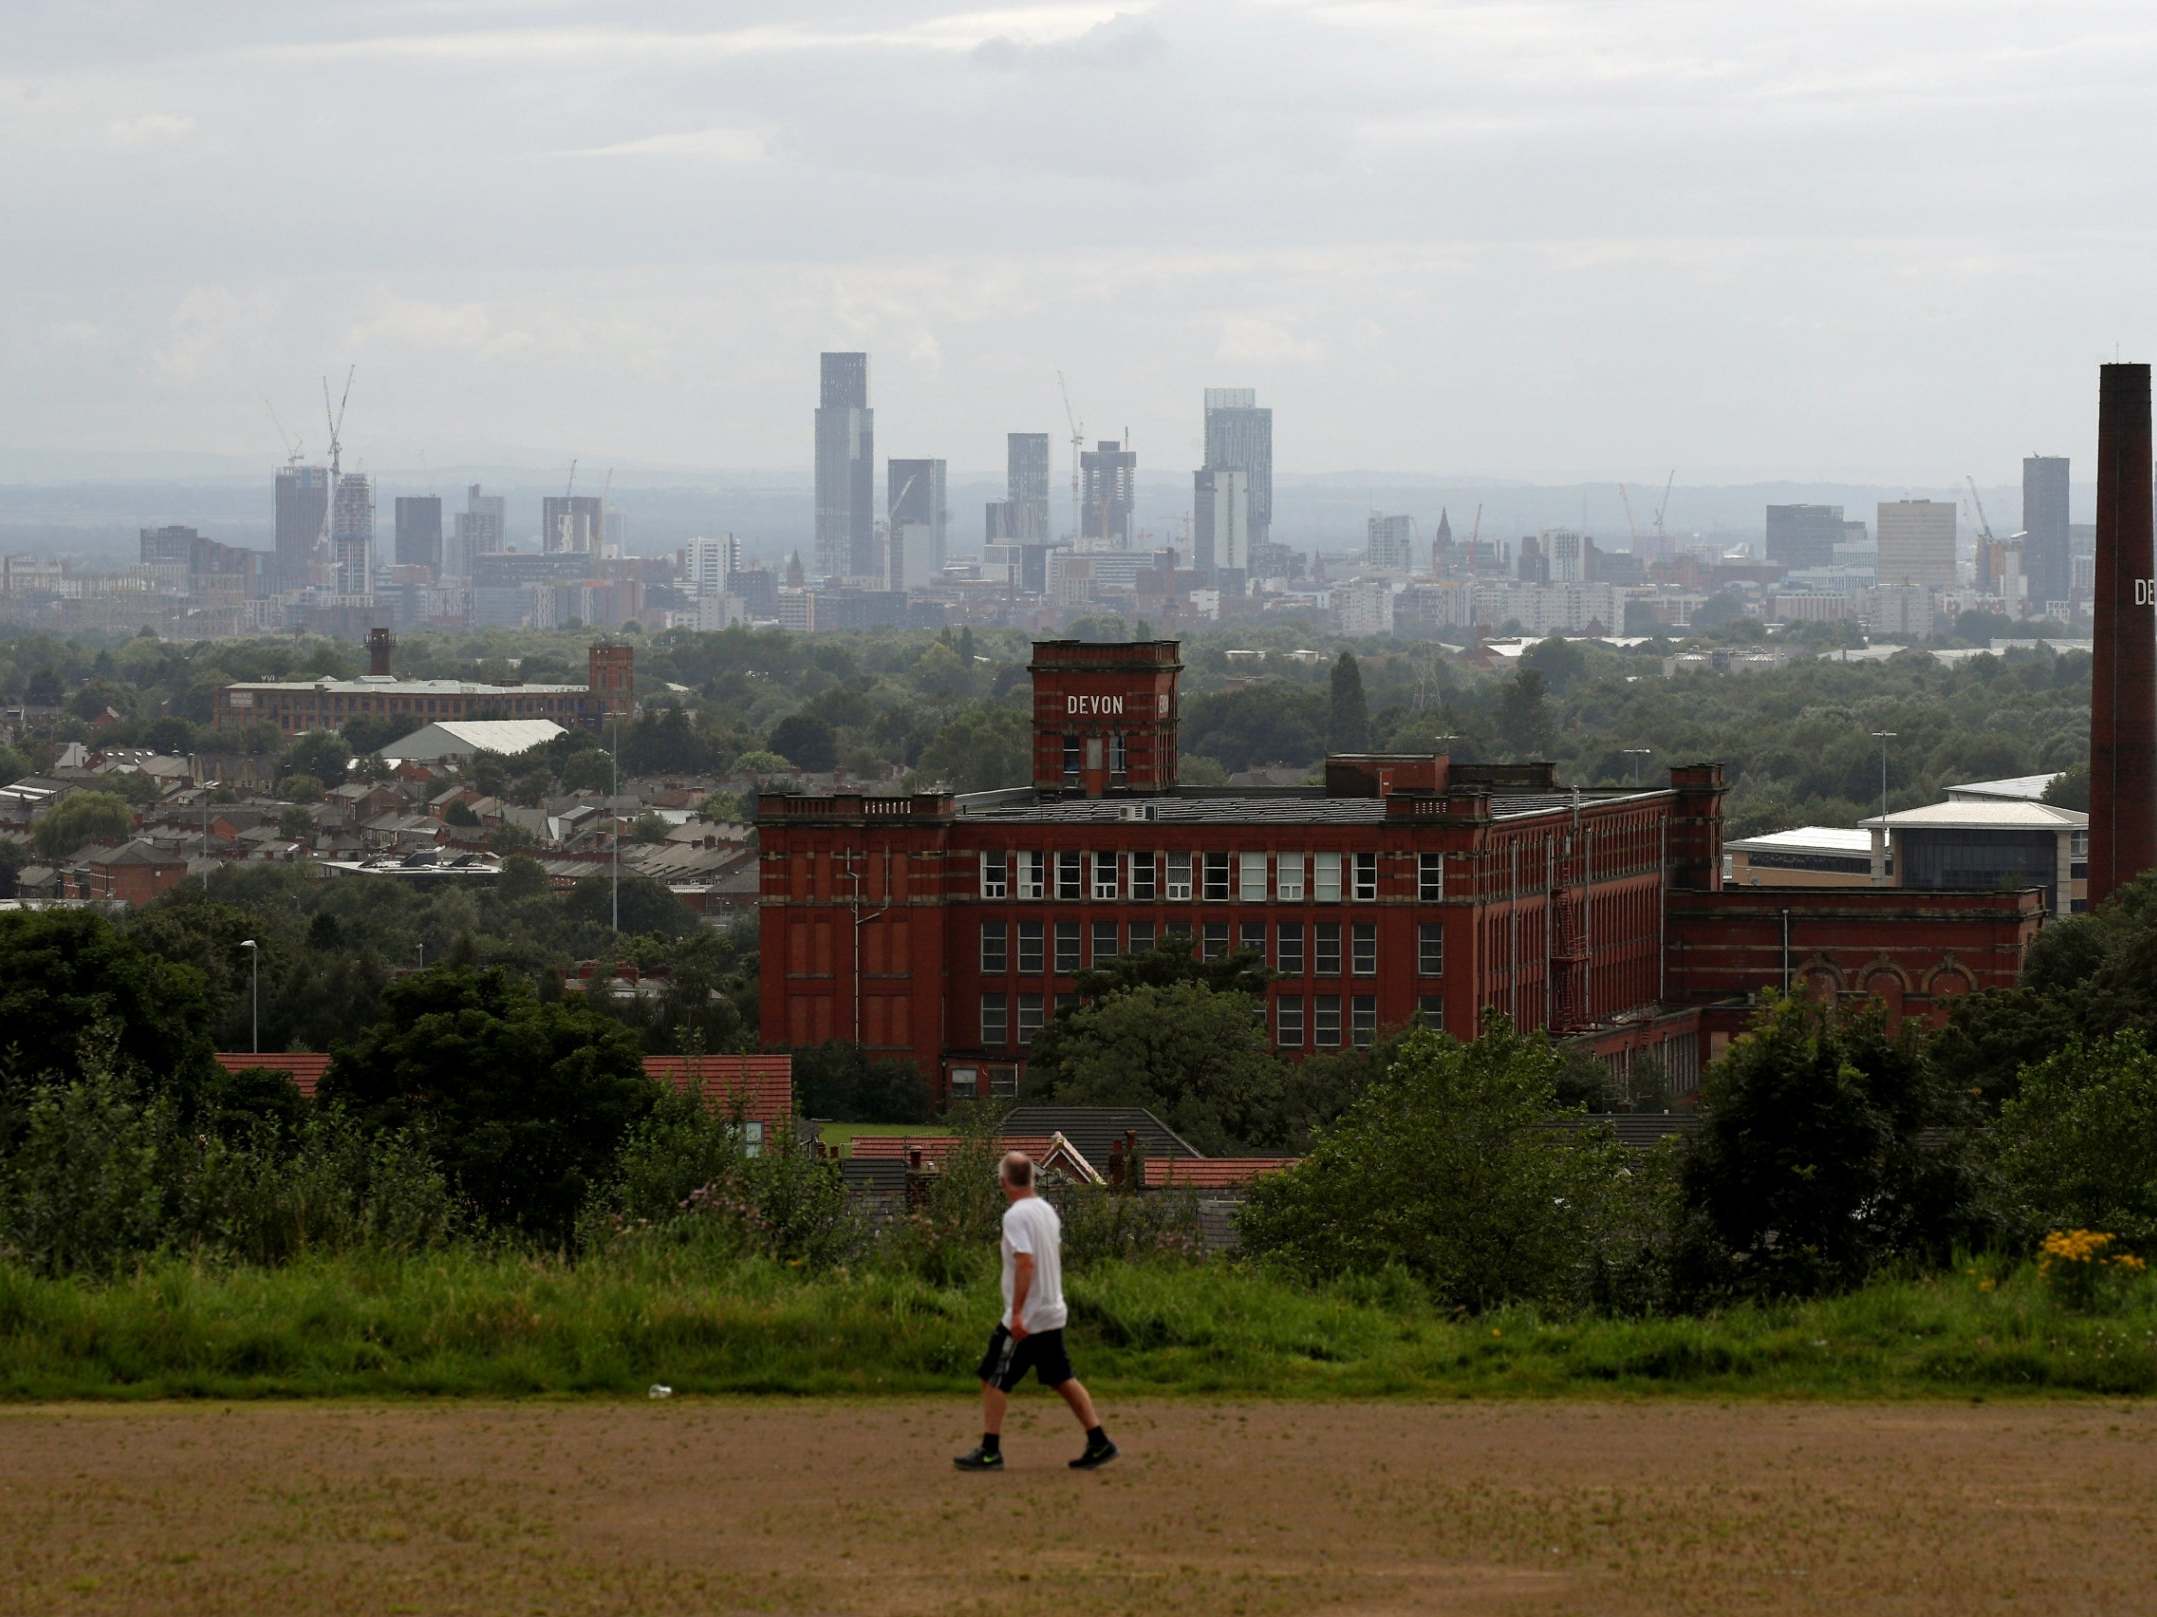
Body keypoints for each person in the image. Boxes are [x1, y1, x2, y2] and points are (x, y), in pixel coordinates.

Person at [953, 1151, 1117, 1472]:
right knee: (1061, 1377)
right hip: (1051, 1310)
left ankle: (990, 1451)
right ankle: (1099, 1441)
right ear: (1032, 1178)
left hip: (1029, 1317)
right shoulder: (1046, 1211)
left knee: (993, 1377)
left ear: (1003, 1182)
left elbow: (1025, 1263)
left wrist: (1017, 1314)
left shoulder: (1015, 1216)